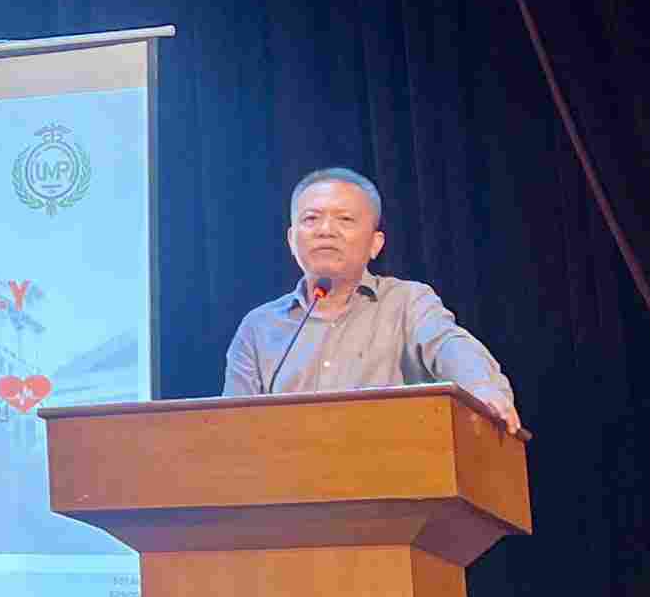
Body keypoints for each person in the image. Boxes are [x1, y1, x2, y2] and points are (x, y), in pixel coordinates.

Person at [222, 166, 524, 436]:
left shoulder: (407, 302)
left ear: (375, 243)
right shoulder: (259, 328)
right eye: (311, 218)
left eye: (345, 219)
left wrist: (482, 387)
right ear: (291, 240)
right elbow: (230, 430)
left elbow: (448, 344)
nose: (326, 230)